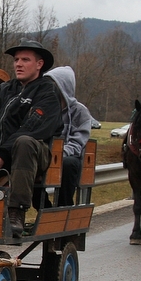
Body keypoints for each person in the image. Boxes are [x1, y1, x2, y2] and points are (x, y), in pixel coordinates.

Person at [0, 40, 63, 237]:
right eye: (16, 60)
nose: (18, 64)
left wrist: (3, 156)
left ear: (39, 64)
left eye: (25, 60)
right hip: (0, 148)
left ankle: (16, 211)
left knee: (24, 142)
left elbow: (31, 128)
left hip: (34, 152)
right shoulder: (5, 89)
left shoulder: (47, 91)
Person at [45, 66, 93, 207]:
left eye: (54, 85)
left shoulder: (80, 111)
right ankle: (44, 207)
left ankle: (63, 206)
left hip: (69, 156)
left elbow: (79, 142)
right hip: (46, 154)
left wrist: (59, 153)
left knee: (68, 164)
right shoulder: (45, 108)